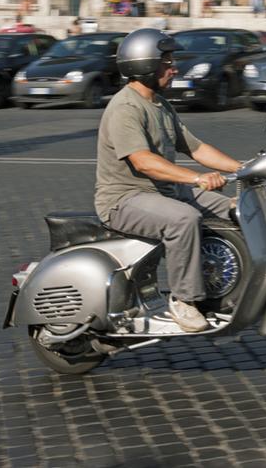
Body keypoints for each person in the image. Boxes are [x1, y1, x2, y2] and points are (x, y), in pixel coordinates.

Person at [94, 28, 242, 333]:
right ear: (143, 65)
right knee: (183, 219)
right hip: (124, 199)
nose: (173, 68)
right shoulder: (125, 108)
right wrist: (197, 178)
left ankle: (233, 284)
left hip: (163, 192)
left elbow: (196, 148)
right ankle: (183, 298)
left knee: (235, 208)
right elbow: (142, 161)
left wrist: (244, 168)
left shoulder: (161, 105)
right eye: (167, 62)